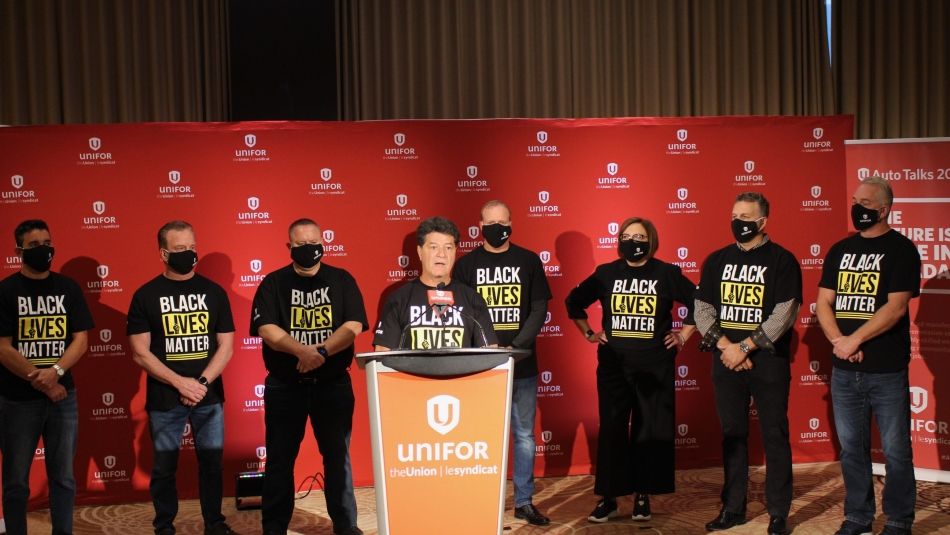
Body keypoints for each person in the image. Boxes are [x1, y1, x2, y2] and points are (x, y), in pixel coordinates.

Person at [565, 217, 697, 523]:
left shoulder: (666, 273)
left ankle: (642, 496)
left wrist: (683, 335)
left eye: (639, 236)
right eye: (626, 236)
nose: (632, 241)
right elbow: (574, 302)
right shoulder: (606, 273)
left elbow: (700, 301)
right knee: (612, 429)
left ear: (650, 240)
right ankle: (609, 499)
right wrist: (589, 333)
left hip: (655, 365)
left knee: (648, 430)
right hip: (614, 365)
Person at [816, 177, 920, 535]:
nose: (857, 208)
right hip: (844, 370)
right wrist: (838, 340)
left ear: (884, 209)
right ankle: (858, 517)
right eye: (855, 201)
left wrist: (854, 339)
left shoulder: (902, 250)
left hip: (886, 370)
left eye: (865, 203)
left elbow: (895, 307)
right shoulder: (840, 250)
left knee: (895, 451)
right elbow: (823, 302)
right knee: (852, 450)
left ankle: (898, 519)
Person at [251, 218, 368, 535]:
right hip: (284, 386)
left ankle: (346, 526)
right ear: (289, 247)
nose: (309, 249)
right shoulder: (273, 283)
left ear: (323, 242)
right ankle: (273, 528)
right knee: (279, 460)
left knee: (337, 459)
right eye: (301, 245)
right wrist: (302, 352)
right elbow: (266, 329)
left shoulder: (341, 280)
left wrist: (322, 352)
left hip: (332, 386)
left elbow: (353, 325)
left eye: (314, 242)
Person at [694, 192, 801, 535]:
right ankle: (733, 508)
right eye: (734, 214)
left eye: (745, 216)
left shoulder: (783, 260)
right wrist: (729, 347)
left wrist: (745, 347)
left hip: (767, 362)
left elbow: (784, 313)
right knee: (733, 435)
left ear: (762, 223)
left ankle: (778, 513)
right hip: (726, 359)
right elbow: (702, 309)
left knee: (774, 435)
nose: (738, 221)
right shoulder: (716, 260)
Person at [127, 220, 236, 535]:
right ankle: (164, 526)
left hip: (209, 397)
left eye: (191, 247)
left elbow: (226, 346)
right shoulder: (146, 295)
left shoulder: (214, 293)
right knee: (163, 468)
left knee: (212, 466)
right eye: (179, 249)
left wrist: (200, 385)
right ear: (163, 253)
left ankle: (214, 524)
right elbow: (140, 352)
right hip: (165, 398)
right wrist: (180, 383)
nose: (189, 254)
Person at [453, 200, 552, 526]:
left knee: (524, 435)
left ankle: (523, 501)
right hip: (481, 365)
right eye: (491, 222)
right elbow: (462, 314)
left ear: (511, 222)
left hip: (522, 364)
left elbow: (539, 309)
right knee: (481, 436)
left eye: (503, 221)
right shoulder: (467, 265)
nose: (498, 227)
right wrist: (486, 349)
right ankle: (482, 498)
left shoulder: (528, 260)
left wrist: (517, 346)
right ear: (480, 226)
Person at [0, 220, 93, 535]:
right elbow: (2, 348)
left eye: (47, 242)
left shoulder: (68, 288)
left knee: (64, 478)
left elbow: (80, 340)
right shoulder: (5, 291)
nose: (44, 249)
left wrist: (55, 374)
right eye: (35, 244)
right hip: (17, 400)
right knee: (15, 481)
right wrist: (38, 379)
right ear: (19, 251)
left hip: (63, 397)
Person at [374, 216, 497, 351]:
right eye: (433, 247)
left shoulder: (472, 299)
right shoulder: (399, 299)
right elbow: (382, 354)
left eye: (448, 248)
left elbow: (490, 352)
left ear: (455, 252)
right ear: (420, 252)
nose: (441, 254)